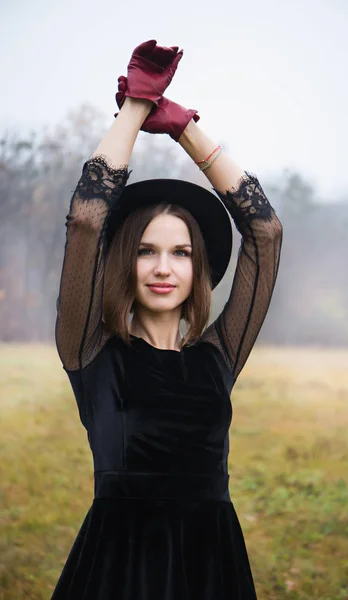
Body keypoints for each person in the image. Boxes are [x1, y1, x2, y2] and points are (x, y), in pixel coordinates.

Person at [52, 39, 283, 600]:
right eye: (145, 251)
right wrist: (135, 105)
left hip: (212, 566)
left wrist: (186, 129)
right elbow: (86, 221)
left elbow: (265, 233)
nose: (163, 268)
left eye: (180, 253)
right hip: (119, 565)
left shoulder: (218, 356)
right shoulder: (90, 352)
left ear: (198, 266)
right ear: (123, 264)